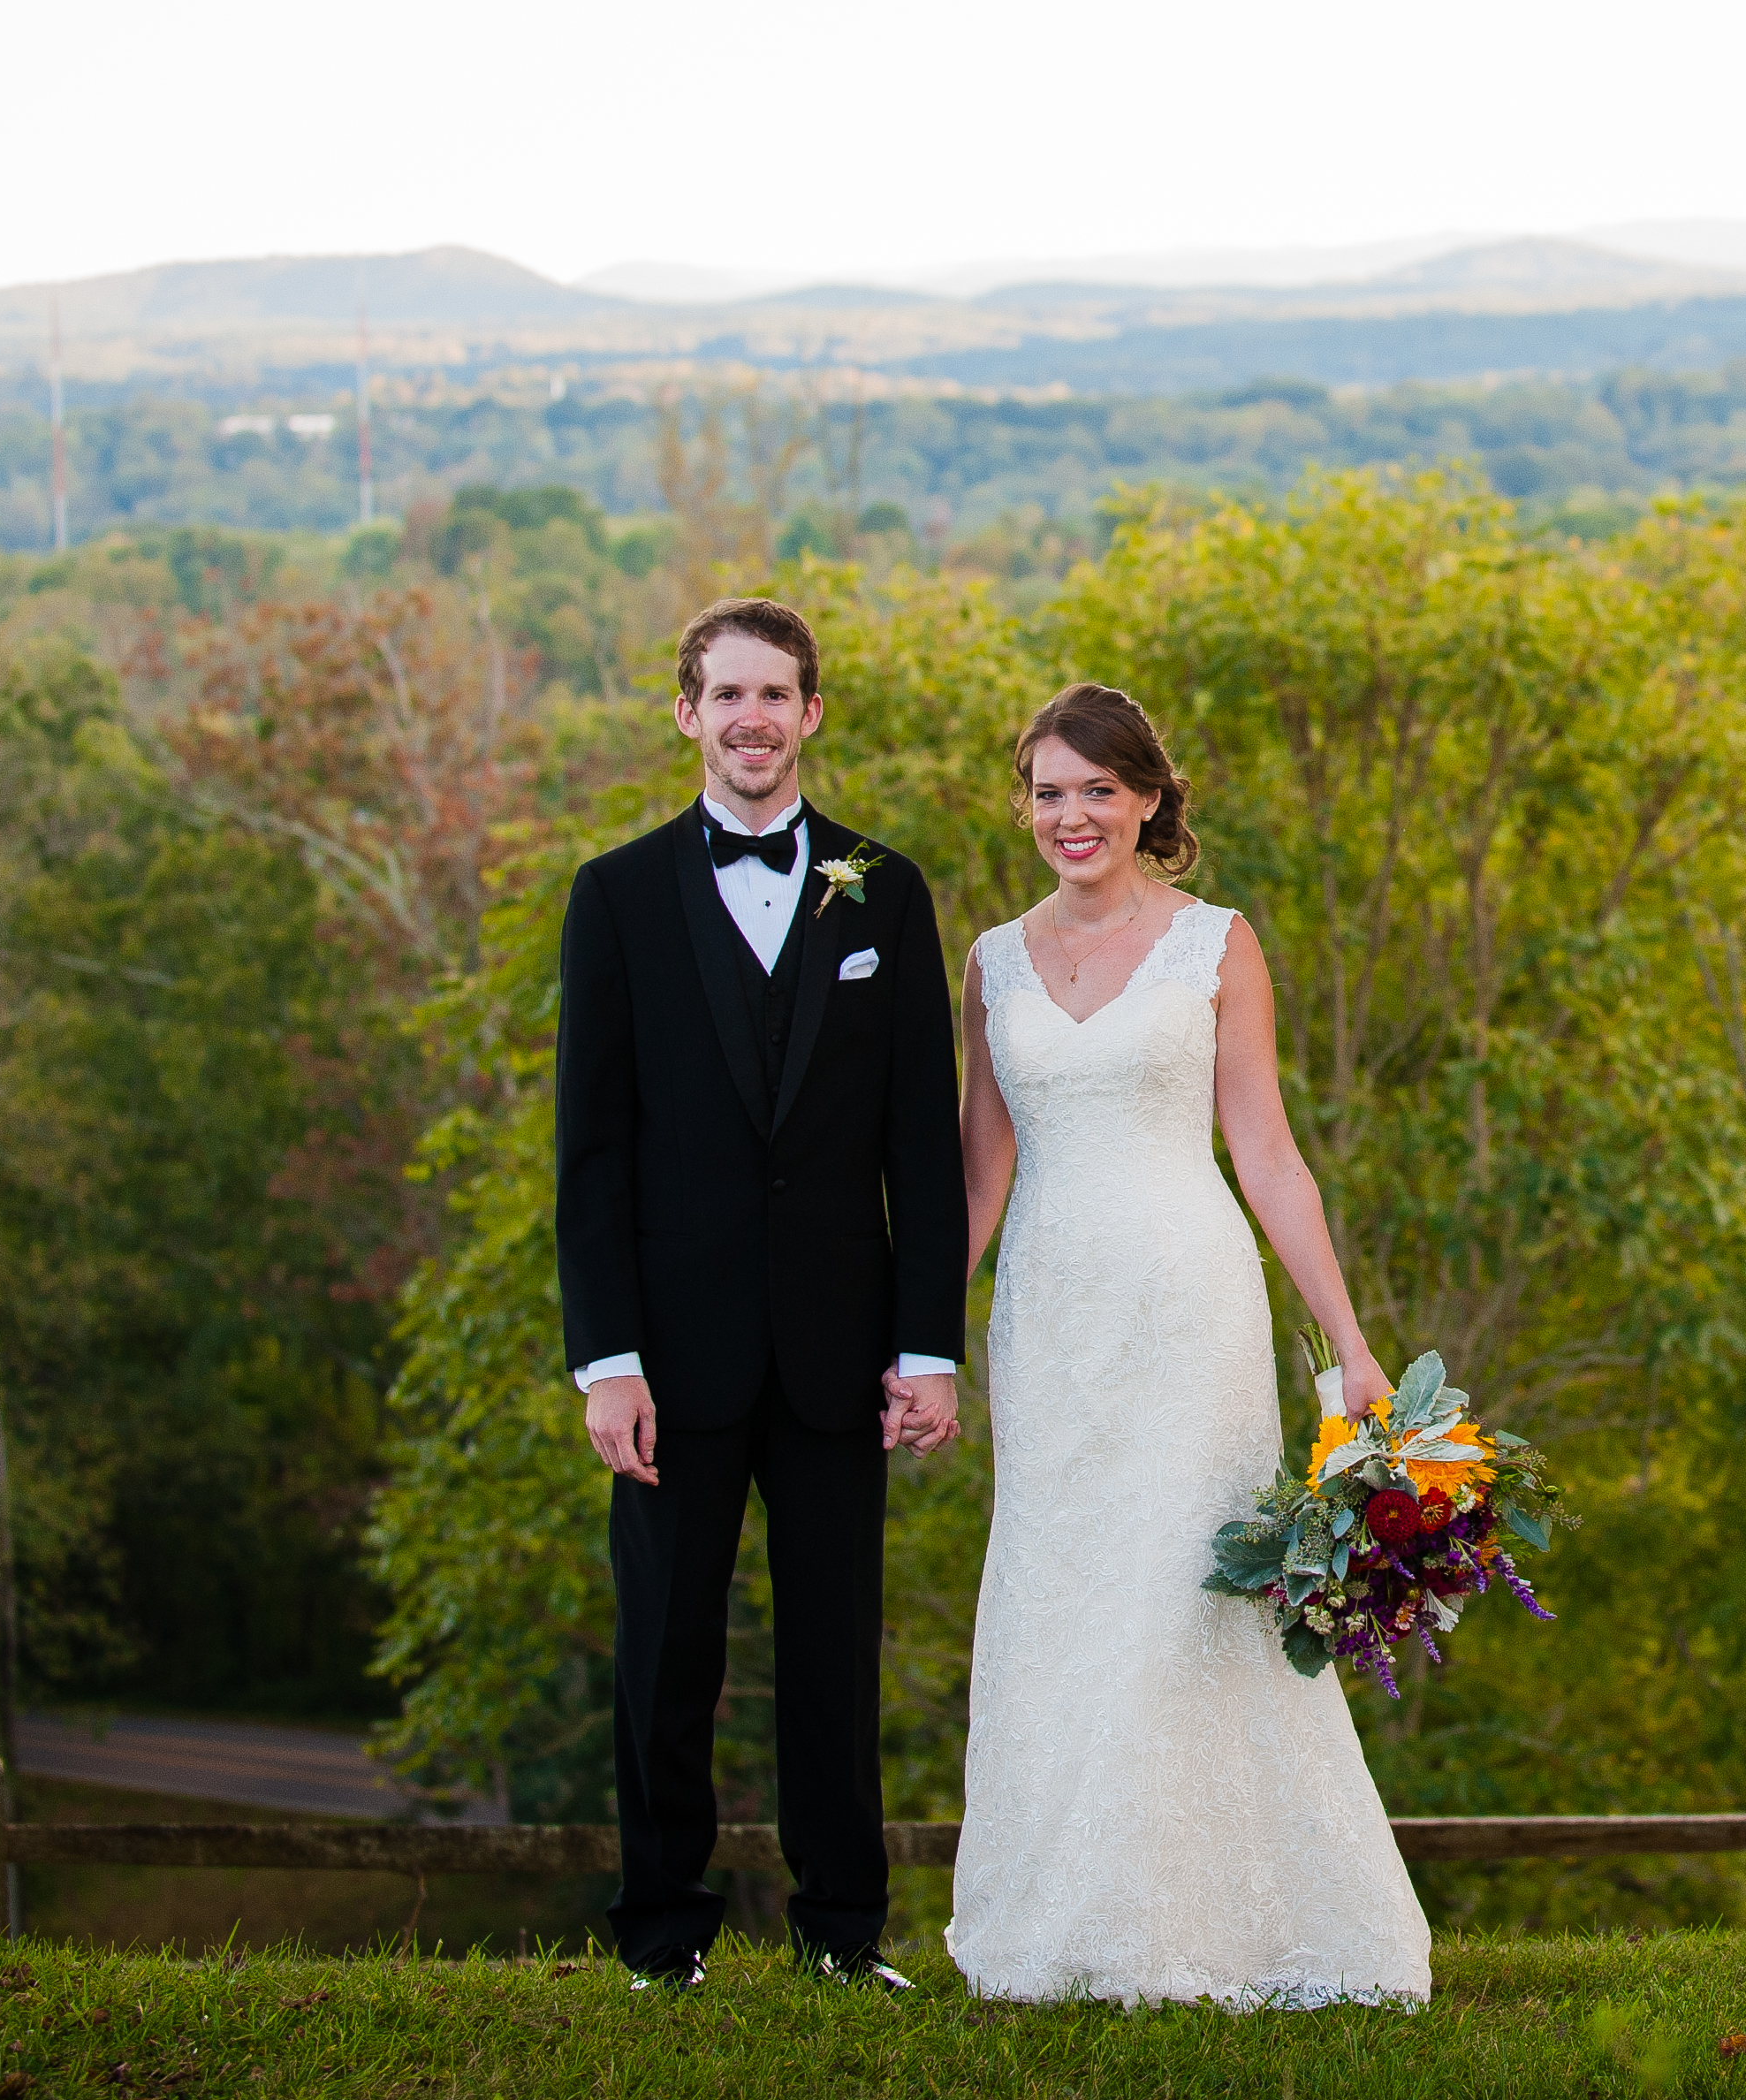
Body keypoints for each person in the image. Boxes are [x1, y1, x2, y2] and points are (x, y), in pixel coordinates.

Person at [945, 681, 1432, 2007]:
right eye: (1048, 791)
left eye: (1098, 789)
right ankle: (1059, 1925)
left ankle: (1218, 1924)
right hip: (1049, 1318)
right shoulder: (991, 959)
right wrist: (917, 1340)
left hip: (1188, 1308)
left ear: (1150, 799)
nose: (1071, 816)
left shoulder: (1217, 943)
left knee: (1183, 1599)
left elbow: (1266, 1153)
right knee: (1060, 1598)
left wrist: (1352, 1343)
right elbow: (977, 1177)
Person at [552, 597, 968, 1990]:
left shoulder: (885, 889)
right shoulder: (612, 898)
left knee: (834, 1658)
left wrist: (929, 1348)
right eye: (725, 694)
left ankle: (844, 1936)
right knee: (666, 1656)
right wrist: (606, 1359)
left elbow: (924, 1135)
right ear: (686, 712)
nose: (751, 719)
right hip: (674, 1357)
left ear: (812, 714)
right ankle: (660, 1936)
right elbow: (593, 1149)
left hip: (844, 1353)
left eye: (776, 695)